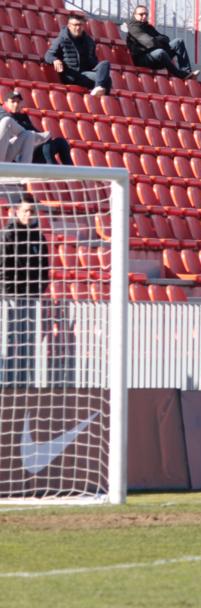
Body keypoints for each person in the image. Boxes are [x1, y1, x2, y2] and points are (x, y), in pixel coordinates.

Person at [1, 195, 50, 386]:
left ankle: (24, 385)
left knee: (27, 342)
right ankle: (5, 384)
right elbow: (3, 269)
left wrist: (37, 291)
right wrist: (9, 293)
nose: (30, 215)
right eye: (26, 211)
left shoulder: (39, 238)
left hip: (31, 299)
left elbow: (44, 269)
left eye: (33, 211)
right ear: (16, 212)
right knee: (8, 339)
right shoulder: (6, 236)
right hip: (9, 298)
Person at [44, 13, 112, 96]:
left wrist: (99, 68)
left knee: (105, 65)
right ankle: (97, 91)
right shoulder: (61, 40)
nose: (78, 28)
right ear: (69, 25)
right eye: (75, 25)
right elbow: (48, 55)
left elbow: (93, 60)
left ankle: (97, 90)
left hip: (86, 73)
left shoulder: (89, 42)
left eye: (80, 25)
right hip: (72, 75)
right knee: (106, 81)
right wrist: (55, 60)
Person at [125, 5, 199, 80]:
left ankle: (186, 72)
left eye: (146, 14)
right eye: (141, 14)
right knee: (160, 52)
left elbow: (166, 38)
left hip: (156, 56)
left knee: (178, 42)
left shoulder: (148, 27)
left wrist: (156, 40)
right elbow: (149, 43)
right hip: (143, 59)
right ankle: (180, 75)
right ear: (135, 15)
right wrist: (159, 41)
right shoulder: (133, 28)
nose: (144, 16)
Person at [0, 91, 73, 166]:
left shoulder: (22, 116)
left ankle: (71, 172)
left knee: (60, 142)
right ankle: (54, 172)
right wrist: (43, 136)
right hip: (15, 153)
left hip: (31, 148)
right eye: (13, 102)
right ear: (5, 102)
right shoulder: (3, 115)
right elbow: (18, 133)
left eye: (18, 102)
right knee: (44, 143)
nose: (16, 104)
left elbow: (33, 131)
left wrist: (43, 137)